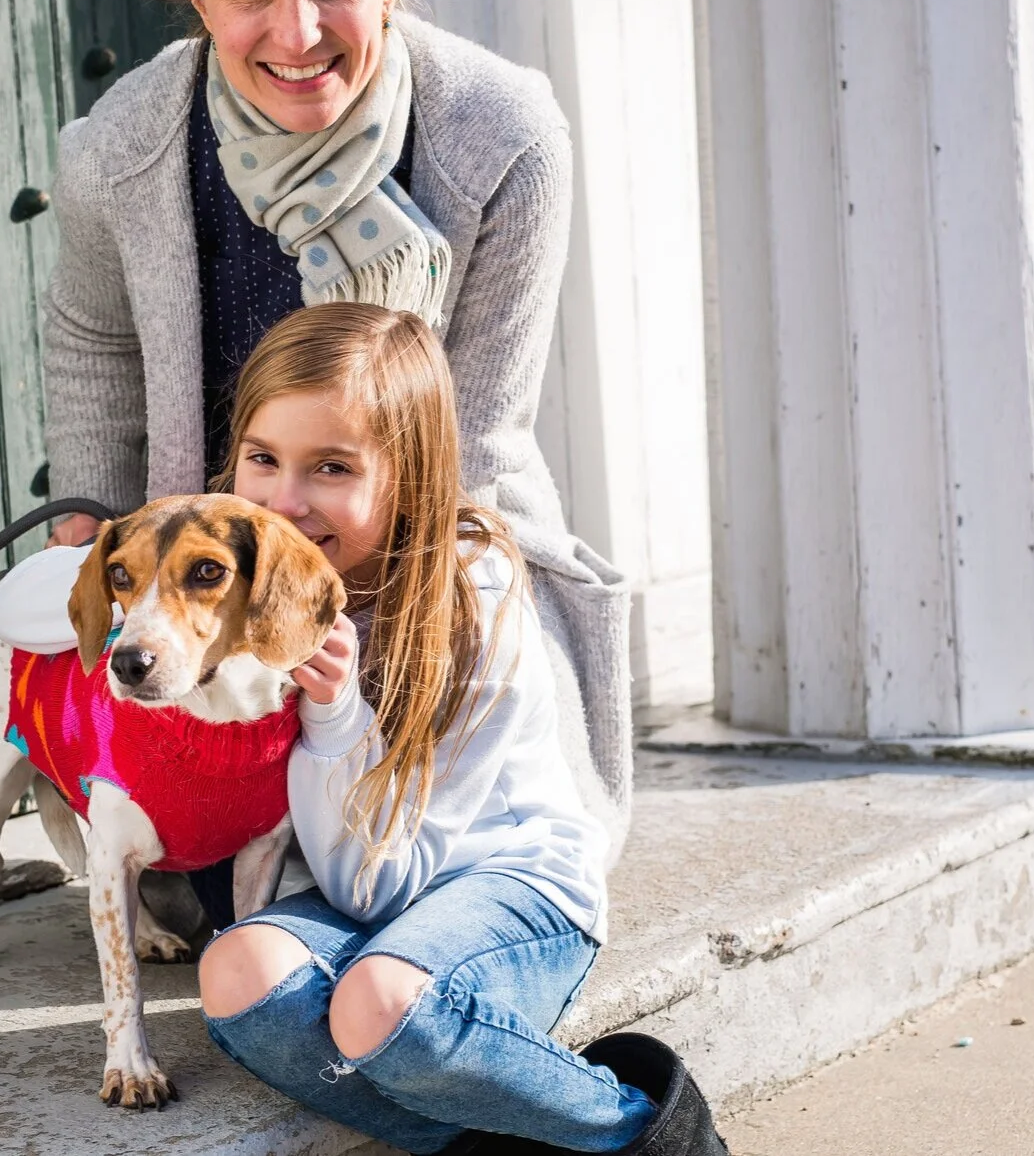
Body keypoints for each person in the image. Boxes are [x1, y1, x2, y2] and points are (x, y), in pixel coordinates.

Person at [39, 0, 631, 924]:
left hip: (423, 552)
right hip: (213, 582)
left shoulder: (503, 138)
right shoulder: (119, 150)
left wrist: (360, 653)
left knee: (412, 857)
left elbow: (476, 436)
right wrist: (95, 525)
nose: (297, 31)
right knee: (208, 890)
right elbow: (92, 337)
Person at [190, 304, 721, 1153]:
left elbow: (377, 887)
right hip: (368, 896)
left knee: (379, 1006)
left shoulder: (473, 594)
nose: (284, 502)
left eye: (331, 466)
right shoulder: (247, 586)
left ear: (407, 477)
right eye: (263, 458)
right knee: (237, 972)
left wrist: (332, 711)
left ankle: (644, 1135)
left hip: (514, 889)